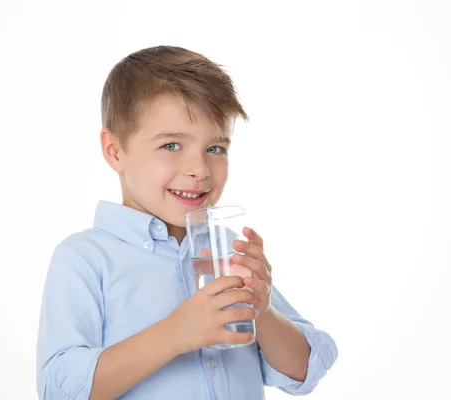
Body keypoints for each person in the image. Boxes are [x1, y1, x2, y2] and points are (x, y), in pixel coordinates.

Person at [36, 45, 338, 400]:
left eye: (215, 149)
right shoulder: (85, 258)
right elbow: (59, 389)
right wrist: (176, 333)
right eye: (171, 145)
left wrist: (264, 311)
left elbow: (306, 371)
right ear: (115, 151)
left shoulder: (227, 250)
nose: (199, 169)